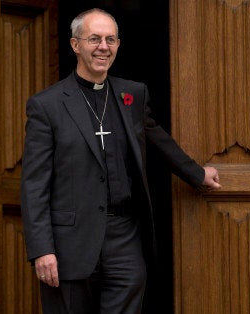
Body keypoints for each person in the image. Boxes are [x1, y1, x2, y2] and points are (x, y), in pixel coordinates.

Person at [20, 8, 221, 313]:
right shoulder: (47, 106)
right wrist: (42, 250)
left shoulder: (132, 94)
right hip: (70, 242)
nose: (104, 46)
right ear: (76, 45)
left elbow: (158, 139)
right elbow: (34, 185)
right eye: (95, 39)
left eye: (111, 39)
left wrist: (196, 174)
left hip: (123, 236)